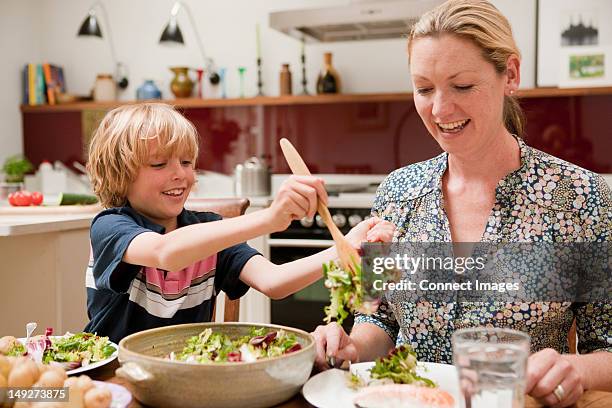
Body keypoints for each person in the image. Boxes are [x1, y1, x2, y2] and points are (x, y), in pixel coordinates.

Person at [312, 1, 611, 407]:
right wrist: (351, 346)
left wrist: (574, 368)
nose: (439, 109)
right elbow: (377, 317)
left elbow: (607, 346)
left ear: (511, 74)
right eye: (423, 89)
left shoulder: (581, 198)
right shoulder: (398, 193)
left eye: (462, 86)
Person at [84, 103, 394, 343]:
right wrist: (270, 218)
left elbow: (274, 282)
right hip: (115, 377)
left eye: (187, 162)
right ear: (119, 174)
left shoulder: (210, 230)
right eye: (159, 164)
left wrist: (346, 248)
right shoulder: (110, 227)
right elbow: (166, 252)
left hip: (184, 377)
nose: (180, 174)